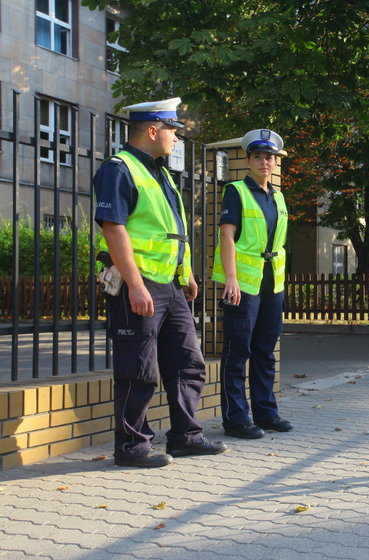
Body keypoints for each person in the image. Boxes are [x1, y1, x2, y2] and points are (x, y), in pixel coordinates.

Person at [93, 97, 227, 468]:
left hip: (170, 285)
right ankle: (132, 447)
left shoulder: (162, 173)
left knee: (188, 362)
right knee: (138, 369)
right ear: (152, 130)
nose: (176, 138)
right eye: (172, 130)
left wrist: (185, 273)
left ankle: (185, 437)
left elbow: (171, 233)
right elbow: (113, 228)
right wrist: (135, 285)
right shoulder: (118, 170)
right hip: (138, 284)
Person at [211, 129, 293, 439]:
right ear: (248, 160)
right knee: (238, 351)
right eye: (258, 156)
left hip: (272, 285)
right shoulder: (236, 191)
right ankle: (235, 419)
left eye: (269, 157)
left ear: (275, 162)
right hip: (243, 284)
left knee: (265, 350)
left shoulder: (279, 196)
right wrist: (230, 278)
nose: (264, 161)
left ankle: (266, 413)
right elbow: (227, 236)